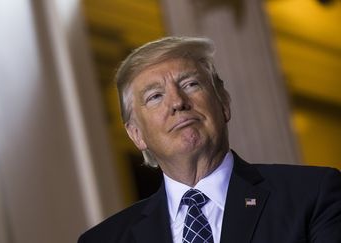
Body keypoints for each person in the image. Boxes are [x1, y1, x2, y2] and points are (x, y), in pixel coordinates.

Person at [78, 36, 341, 243]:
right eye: (155, 96)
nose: (178, 102)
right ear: (136, 134)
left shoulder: (312, 194)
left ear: (224, 104)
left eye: (191, 84)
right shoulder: (105, 239)